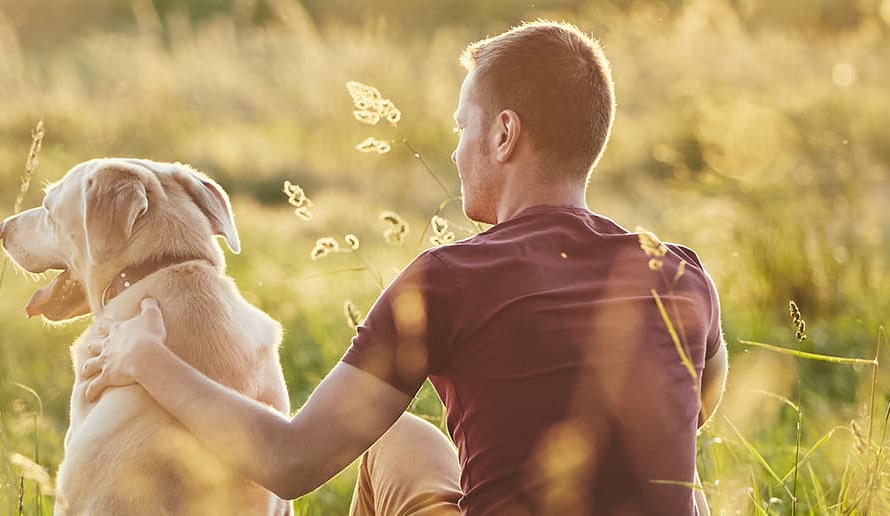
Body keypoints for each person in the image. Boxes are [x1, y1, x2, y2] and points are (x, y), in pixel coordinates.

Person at [80, 20, 728, 516]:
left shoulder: (450, 278)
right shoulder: (681, 273)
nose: (454, 151)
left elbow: (289, 461)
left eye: (462, 127)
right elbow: (690, 419)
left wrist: (147, 359)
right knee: (409, 438)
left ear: (504, 135)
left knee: (387, 441)